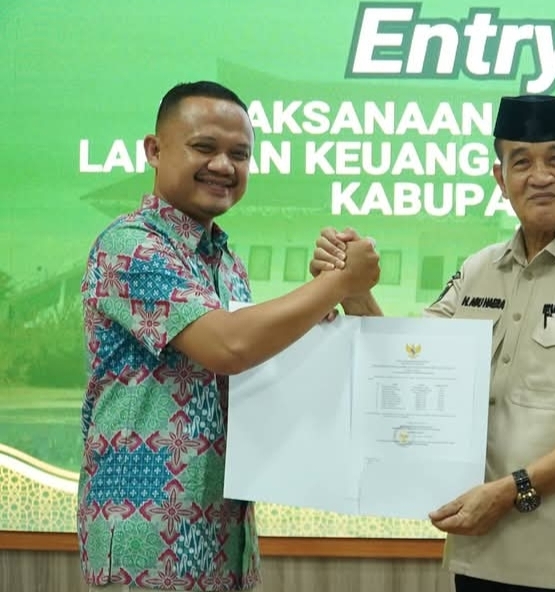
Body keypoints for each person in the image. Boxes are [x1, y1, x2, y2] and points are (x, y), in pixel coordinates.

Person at [311, 94, 555, 592]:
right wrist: (351, 291)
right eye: (521, 162)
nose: (540, 176)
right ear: (500, 179)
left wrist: (511, 490)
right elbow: (408, 366)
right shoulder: (479, 269)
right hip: (479, 556)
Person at [77, 81, 380, 592]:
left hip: (223, 541)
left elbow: (246, 364)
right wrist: (336, 283)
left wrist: (319, 326)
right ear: (154, 150)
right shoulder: (130, 246)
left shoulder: (227, 262)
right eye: (205, 147)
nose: (223, 165)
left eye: (239, 154)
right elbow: (228, 346)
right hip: (146, 545)